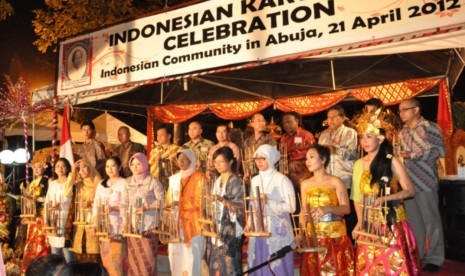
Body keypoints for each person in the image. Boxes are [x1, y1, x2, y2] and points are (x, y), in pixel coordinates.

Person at [351, 111, 420, 275]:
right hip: (369, 226)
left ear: (380, 138)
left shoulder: (392, 161)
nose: (364, 141)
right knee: (369, 267)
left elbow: (410, 191)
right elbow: (357, 198)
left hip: (392, 224)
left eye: (369, 136)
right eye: (362, 137)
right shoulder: (358, 164)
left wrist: (386, 198)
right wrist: (360, 222)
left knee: (394, 267)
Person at [398, 98, 446, 272]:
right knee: (413, 222)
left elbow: (439, 150)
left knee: (431, 221)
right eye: (400, 110)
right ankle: (418, 255)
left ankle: (435, 258)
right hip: (409, 183)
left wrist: (412, 155)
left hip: (426, 181)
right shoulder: (402, 132)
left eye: (404, 109)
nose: (401, 113)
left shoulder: (429, 127)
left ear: (416, 109)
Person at [299, 144, 354, 275]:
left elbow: (346, 209)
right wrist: (301, 233)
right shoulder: (305, 184)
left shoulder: (336, 181)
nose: (308, 161)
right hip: (313, 237)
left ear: (323, 159)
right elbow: (304, 212)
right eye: (306, 158)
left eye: (312, 157)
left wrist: (327, 209)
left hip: (333, 236)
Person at [245, 144, 295, 276]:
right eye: (256, 158)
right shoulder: (255, 180)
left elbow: (292, 206)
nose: (259, 161)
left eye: (263, 158)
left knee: (276, 264)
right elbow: (252, 205)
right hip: (258, 230)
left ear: (271, 158)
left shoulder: (282, 179)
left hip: (276, 230)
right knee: (258, 261)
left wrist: (270, 202)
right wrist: (249, 224)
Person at [121, 152, 165, 275]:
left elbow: (162, 201)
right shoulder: (127, 182)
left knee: (147, 262)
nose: (135, 167)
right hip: (132, 228)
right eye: (133, 164)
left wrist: (147, 207)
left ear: (145, 164)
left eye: (138, 164)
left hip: (148, 227)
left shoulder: (153, 181)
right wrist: (125, 222)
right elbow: (124, 204)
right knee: (134, 263)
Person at [203, 147, 245, 275]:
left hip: (230, 230)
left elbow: (240, 208)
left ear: (231, 162)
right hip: (217, 227)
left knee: (229, 266)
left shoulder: (235, 181)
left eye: (221, 161)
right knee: (216, 265)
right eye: (215, 162)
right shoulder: (216, 181)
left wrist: (222, 200)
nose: (217, 165)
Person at [317, 105, 358, 238]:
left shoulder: (350, 132)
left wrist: (336, 150)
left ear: (342, 118)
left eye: (334, 117)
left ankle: (351, 242)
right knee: (331, 212)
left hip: (345, 178)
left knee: (348, 212)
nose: (331, 120)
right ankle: (334, 241)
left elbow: (353, 154)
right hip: (327, 180)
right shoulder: (323, 135)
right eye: (329, 117)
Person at [167, 149, 205, 276]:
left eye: (184, 158)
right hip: (176, 224)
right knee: (175, 257)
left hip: (193, 225)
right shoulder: (173, 179)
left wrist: (182, 204)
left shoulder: (199, 177)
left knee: (192, 259)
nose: (181, 161)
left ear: (192, 159)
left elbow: (201, 201)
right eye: (179, 158)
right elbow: (168, 201)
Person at [91, 157, 127, 276]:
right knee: (106, 263)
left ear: (119, 167)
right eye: (107, 166)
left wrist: (114, 208)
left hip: (119, 229)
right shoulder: (101, 184)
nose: (110, 169)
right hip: (104, 229)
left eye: (113, 166)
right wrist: (94, 224)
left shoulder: (125, 183)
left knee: (117, 264)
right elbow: (96, 205)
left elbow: (129, 205)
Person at [67, 159, 101, 262]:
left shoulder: (100, 184)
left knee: (94, 258)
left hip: (94, 223)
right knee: (80, 259)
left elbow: (105, 203)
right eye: (79, 169)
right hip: (80, 224)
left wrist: (91, 204)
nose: (82, 171)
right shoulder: (78, 185)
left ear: (90, 167)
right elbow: (66, 192)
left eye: (84, 167)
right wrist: (72, 172)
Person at [44, 158, 75, 263]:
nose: (60, 169)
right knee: (55, 254)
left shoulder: (70, 182)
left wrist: (60, 204)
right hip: (53, 220)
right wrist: (46, 220)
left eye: (63, 166)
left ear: (67, 168)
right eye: (58, 166)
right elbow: (47, 201)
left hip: (66, 219)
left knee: (67, 254)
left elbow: (70, 199)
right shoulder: (52, 184)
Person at [280, 111, 315, 189]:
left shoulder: (306, 135)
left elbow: (312, 154)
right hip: (287, 175)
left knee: (303, 198)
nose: (286, 125)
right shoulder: (283, 137)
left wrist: (291, 154)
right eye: (284, 123)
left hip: (303, 175)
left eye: (288, 122)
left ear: (297, 121)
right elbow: (282, 154)